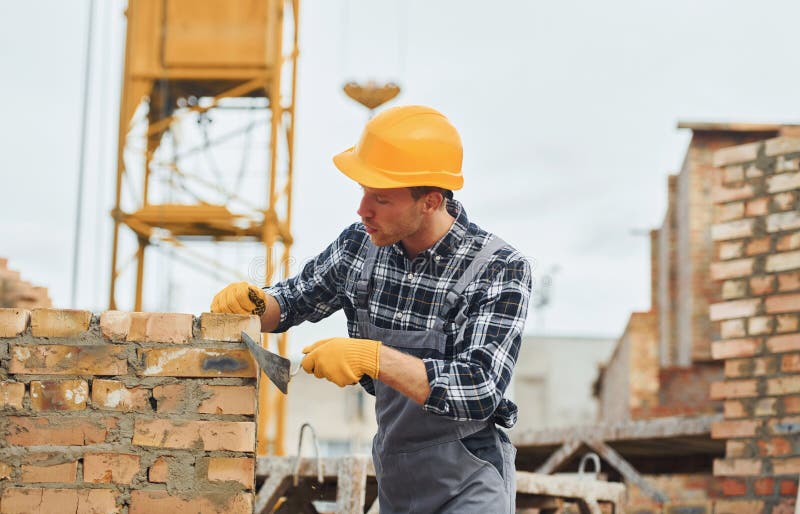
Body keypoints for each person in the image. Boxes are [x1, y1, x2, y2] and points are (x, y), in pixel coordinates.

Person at [211, 105, 531, 513]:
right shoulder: (359, 247)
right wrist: (257, 303)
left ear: (430, 201)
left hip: (469, 479)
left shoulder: (499, 268)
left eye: (380, 198)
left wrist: (374, 358)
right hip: (397, 475)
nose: (363, 209)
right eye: (363, 191)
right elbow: (293, 300)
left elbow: (481, 388)